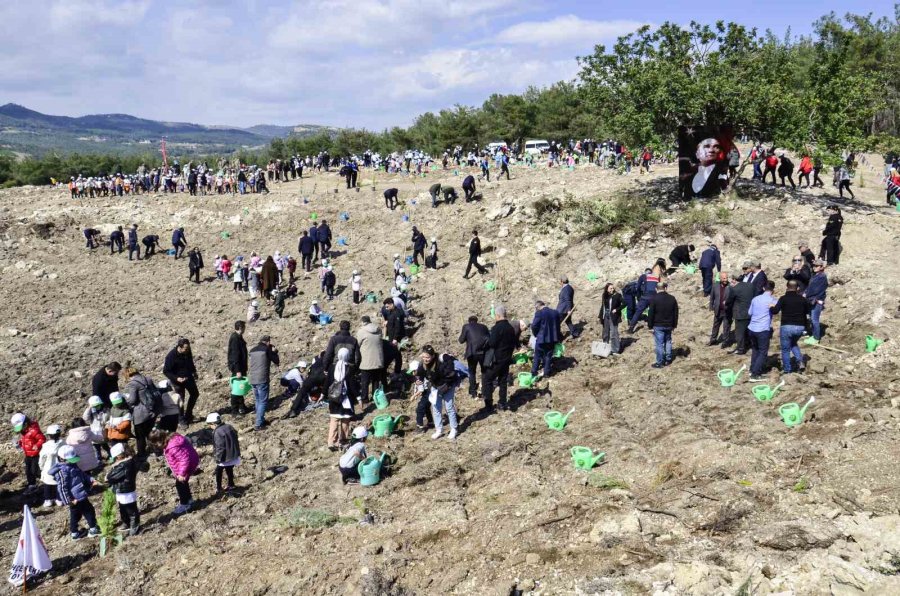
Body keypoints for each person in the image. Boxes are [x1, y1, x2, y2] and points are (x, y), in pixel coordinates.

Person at [50, 445, 101, 540]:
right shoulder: (62, 472)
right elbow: (62, 488)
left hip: (80, 494)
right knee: (89, 511)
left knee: (76, 515)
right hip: (75, 498)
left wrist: (91, 479)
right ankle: (93, 529)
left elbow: (82, 474)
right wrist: (69, 500)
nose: (73, 461)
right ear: (62, 459)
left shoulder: (72, 465)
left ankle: (75, 533)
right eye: (71, 460)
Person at [414, 346, 460, 440]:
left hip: (447, 386)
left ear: (433, 356)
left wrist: (447, 382)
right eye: (423, 357)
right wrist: (418, 380)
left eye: (427, 357)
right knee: (436, 408)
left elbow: (451, 367)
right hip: (435, 387)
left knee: (449, 407)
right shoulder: (422, 364)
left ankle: (454, 429)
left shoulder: (441, 360)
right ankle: (439, 430)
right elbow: (419, 375)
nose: (425, 359)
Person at [149, 429, 199, 515]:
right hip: (189, 461)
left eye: (156, 443)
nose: (156, 446)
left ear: (160, 440)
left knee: (180, 484)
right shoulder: (171, 440)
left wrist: (181, 473)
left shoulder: (173, 446)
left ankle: (185, 504)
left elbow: (184, 460)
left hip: (187, 464)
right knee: (183, 482)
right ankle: (189, 500)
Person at [481, 305, 518, 411]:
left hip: (497, 359)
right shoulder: (511, 328)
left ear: (498, 315)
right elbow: (513, 343)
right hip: (506, 359)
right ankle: (502, 403)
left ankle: (489, 405)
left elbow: (492, 343)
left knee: (487, 379)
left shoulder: (496, 328)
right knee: (503, 381)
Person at [104, 443, 145, 536]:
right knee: (123, 508)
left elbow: (111, 477)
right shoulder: (125, 462)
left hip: (125, 490)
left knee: (131, 510)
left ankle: (135, 527)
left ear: (120, 455)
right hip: (121, 490)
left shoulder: (125, 464)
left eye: (115, 457)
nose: (115, 459)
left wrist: (107, 477)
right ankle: (126, 523)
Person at [771, 280, 810, 374]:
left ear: (787, 287)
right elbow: (807, 313)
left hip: (787, 326)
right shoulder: (803, 299)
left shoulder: (783, 298)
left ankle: (787, 370)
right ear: (798, 288)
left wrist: (771, 306)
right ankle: (800, 361)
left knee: (785, 349)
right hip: (800, 327)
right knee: (793, 343)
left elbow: (775, 311)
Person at [123, 367, 159, 458]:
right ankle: (155, 450)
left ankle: (141, 454)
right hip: (152, 410)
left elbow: (132, 400)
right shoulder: (148, 379)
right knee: (150, 432)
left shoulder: (133, 384)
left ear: (128, 375)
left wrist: (125, 398)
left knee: (140, 436)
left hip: (141, 414)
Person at [326, 347, 358, 450]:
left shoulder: (332, 367)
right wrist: (358, 396)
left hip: (334, 398)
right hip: (345, 398)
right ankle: (343, 440)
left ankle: (332, 442)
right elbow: (352, 384)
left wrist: (323, 394)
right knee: (345, 420)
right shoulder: (349, 368)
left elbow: (327, 382)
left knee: (334, 420)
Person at [163, 338, 200, 425]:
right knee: (181, 400)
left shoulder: (187, 351)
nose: (187, 350)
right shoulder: (171, 356)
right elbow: (166, 371)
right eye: (185, 349)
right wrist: (176, 378)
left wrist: (194, 372)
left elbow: (190, 361)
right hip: (177, 381)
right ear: (180, 347)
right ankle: (181, 419)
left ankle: (189, 415)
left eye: (188, 348)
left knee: (195, 394)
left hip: (188, 377)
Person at [747, 281, 777, 382]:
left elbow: (749, 312)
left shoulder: (755, 299)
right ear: (773, 290)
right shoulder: (773, 300)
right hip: (763, 329)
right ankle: (755, 374)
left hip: (752, 328)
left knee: (755, 349)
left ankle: (752, 369)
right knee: (763, 352)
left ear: (764, 288)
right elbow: (776, 311)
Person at [249, 335, 279, 430]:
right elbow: (277, 361)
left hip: (253, 378)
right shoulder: (266, 350)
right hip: (262, 379)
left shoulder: (252, 350)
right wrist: (275, 352)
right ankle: (258, 424)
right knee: (262, 401)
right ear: (268, 342)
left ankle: (260, 419)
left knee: (258, 400)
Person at [10, 413, 45, 493]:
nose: (20, 430)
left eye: (21, 427)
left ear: (26, 423)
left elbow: (42, 438)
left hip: (35, 454)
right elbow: (26, 441)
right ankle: (32, 485)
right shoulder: (24, 431)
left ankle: (46, 481)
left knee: (35, 470)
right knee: (28, 471)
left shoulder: (34, 430)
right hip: (28, 454)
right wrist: (19, 443)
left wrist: (37, 445)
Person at [207, 413, 240, 494]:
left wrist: (218, 458)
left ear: (213, 423)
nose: (209, 427)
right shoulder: (229, 426)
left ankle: (219, 488)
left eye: (209, 425)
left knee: (218, 471)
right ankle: (231, 484)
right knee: (229, 469)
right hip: (233, 454)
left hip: (225, 456)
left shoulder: (217, 432)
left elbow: (220, 447)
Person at [647, 282, 678, 368]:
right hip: (669, 324)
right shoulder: (672, 298)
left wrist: (650, 326)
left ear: (656, 289)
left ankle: (659, 362)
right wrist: (674, 325)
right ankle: (668, 360)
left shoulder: (654, 299)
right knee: (668, 341)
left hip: (658, 325)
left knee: (659, 344)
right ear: (665, 288)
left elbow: (651, 314)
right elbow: (676, 313)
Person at [458, 315, 490, 399]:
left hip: (472, 353)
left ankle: (473, 393)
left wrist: (464, 335)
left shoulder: (466, 326)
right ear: (477, 320)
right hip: (483, 352)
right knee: (484, 372)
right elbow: (489, 338)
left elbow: (461, 340)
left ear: (469, 321)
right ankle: (484, 392)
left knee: (472, 372)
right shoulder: (484, 327)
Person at [357, 315, 385, 404]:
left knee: (365, 382)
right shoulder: (378, 329)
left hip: (366, 361)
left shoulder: (361, 331)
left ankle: (364, 398)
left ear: (363, 322)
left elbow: (357, 344)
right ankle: (375, 397)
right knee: (376, 380)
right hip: (378, 360)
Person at [530, 301, 562, 379]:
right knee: (548, 356)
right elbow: (558, 326)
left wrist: (536, 334)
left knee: (537, 355)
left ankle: (534, 372)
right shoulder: (555, 312)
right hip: (552, 339)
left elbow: (534, 325)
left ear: (537, 307)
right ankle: (546, 373)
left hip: (541, 338)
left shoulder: (539, 313)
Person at [725, 269, 754, 354]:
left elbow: (729, 301)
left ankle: (740, 349)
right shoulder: (750, 286)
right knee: (748, 331)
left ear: (734, 279)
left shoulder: (734, 289)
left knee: (739, 333)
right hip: (750, 312)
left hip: (740, 314)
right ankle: (749, 345)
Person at [627, 266, 661, 333]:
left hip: (645, 297)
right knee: (653, 312)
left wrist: (638, 297)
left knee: (638, 312)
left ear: (645, 272)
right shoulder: (656, 277)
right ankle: (653, 327)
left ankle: (631, 329)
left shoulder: (643, 276)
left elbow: (638, 287)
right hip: (654, 297)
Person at [38, 424, 64, 508]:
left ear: (49, 436)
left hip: (48, 468)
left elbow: (42, 458)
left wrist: (41, 467)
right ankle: (59, 499)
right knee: (59, 484)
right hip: (61, 467)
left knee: (47, 485)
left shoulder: (46, 446)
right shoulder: (63, 443)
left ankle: (48, 499)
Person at [227, 321, 249, 414]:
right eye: (244, 327)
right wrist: (237, 370)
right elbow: (235, 356)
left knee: (240, 387)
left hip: (240, 367)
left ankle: (242, 406)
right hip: (238, 368)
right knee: (236, 389)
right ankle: (234, 410)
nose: (245, 329)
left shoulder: (238, 337)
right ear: (240, 328)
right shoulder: (235, 338)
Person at [805, 259, 828, 343]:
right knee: (812, 319)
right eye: (814, 266)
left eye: (816, 266)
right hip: (812, 300)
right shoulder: (816, 275)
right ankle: (814, 335)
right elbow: (810, 287)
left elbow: (816, 290)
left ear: (821, 267)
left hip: (816, 301)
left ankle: (816, 338)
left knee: (815, 320)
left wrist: (806, 295)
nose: (814, 267)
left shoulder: (822, 276)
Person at [708, 271, 732, 346]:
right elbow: (712, 297)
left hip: (727, 311)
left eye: (727, 278)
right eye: (724, 278)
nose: (726, 280)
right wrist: (711, 306)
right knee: (715, 325)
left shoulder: (731, 286)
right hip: (718, 310)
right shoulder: (715, 285)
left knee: (726, 327)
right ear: (720, 278)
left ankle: (725, 342)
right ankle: (713, 339)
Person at [599, 283, 623, 355]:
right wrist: (600, 316)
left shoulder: (617, 295)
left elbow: (625, 303)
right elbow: (603, 306)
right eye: (610, 288)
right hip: (606, 316)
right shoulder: (605, 295)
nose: (612, 290)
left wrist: (617, 309)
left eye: (613, 288)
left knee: (614, 333)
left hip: (613, 317)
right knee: (605, 333)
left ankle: (615, 349)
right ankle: (605, 347)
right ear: (607, 289)